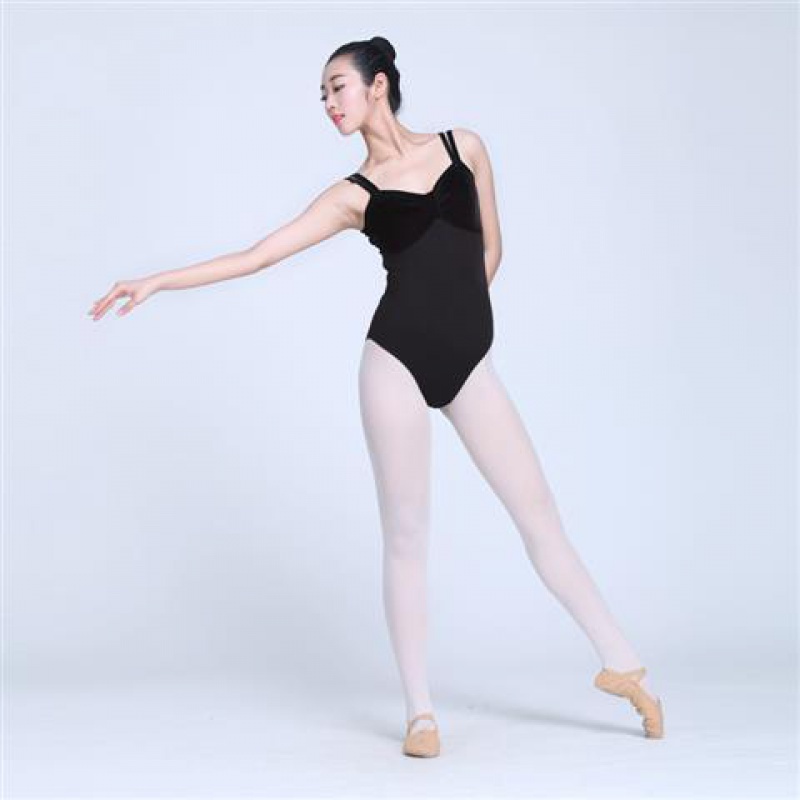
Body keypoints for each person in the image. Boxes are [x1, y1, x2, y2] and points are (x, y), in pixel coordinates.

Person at [88, 35, 665, 758]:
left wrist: (462, 328)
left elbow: (491, 250)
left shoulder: (465, 147)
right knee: (407, 535)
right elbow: (259, 255)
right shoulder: (351, 196)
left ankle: (622, 664)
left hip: (466, 362)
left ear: (379, 84)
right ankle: (421, 713)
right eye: (323, 95)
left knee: (538, 515)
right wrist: (156, 281)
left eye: (337, 87)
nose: (328, 103)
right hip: (394, 361)